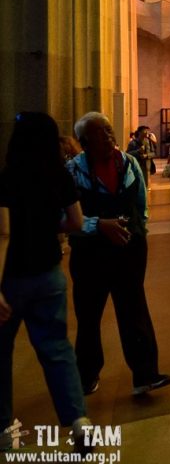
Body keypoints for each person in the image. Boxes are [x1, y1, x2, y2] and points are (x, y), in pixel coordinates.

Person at [0, 113, 91, 454]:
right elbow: (77, 222)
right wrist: (48, 228)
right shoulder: (59, 176)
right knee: (57, 348)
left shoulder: (7, 178)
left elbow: (3, 234)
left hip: (11, 278)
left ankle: (6, 430)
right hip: (49, 274)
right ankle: (78, 421)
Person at [66, 112, 170, 397]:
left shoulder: (129, 163)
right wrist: (98, 226)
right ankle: (87, 375)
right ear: (85, 141)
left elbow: (141, 203)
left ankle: (145, 374)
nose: (109, 135)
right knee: (89, 315)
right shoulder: (73, 171)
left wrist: (138, 231)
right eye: (101, 132)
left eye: (110, 129)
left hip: (129, 251)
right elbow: (65, 219)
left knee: (134, 309)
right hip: (90, 254)